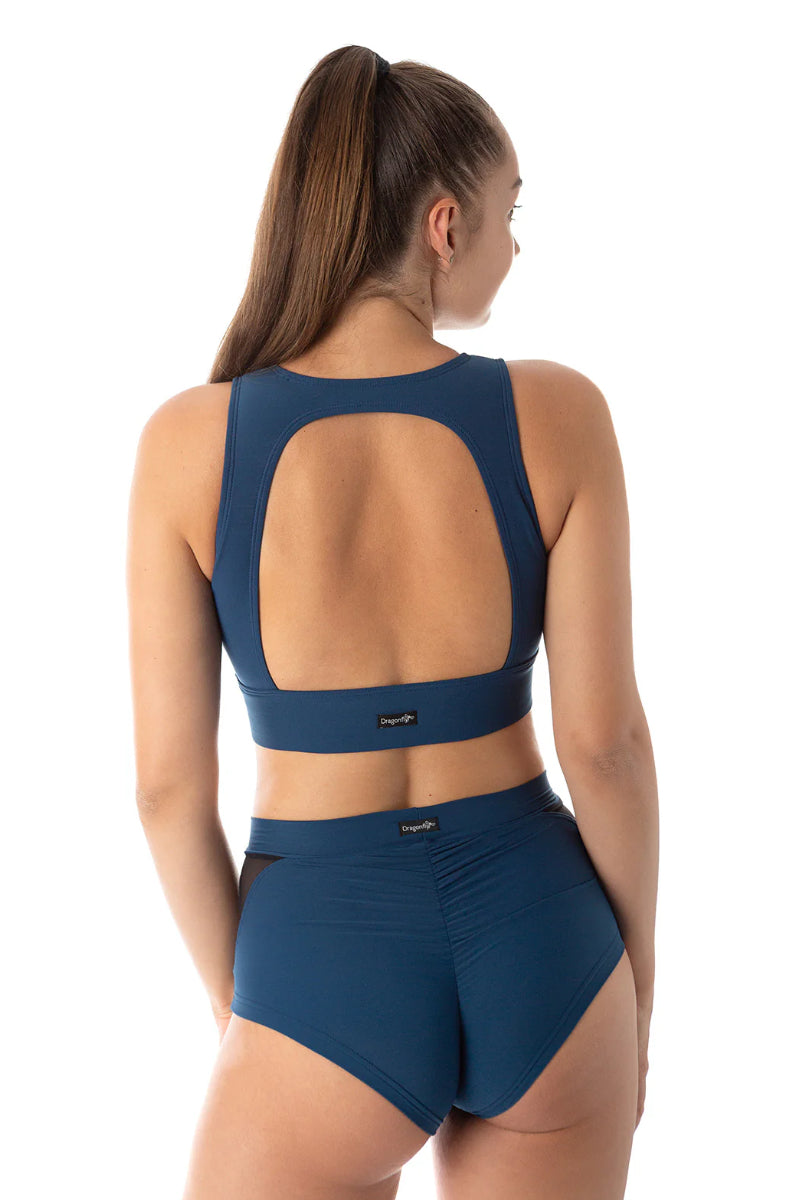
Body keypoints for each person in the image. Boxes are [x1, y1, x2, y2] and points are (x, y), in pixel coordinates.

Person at [127, 43, 658, 1200]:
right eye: (511, 212)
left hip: (322, 946)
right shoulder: (558, 414)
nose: (515, 244)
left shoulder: (189, 444)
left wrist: (249, 1010)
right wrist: (634, 988)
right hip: (543, 945)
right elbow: (605, 749)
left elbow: (167, 792)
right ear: (443, 225)